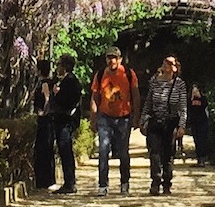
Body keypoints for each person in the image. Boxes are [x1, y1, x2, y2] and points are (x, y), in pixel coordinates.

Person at [90, 50, 140, 193]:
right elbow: (94, 97)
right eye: (109, 58)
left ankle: (124, 183)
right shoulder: (100, 75)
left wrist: (136, 117)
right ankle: (103, 185)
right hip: (105, 117)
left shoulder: (128, 74)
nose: (111, 61)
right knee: (103, 150)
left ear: (120, 59)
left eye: (114, 58)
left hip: (123, 117)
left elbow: (135, 95)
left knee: (123, 152)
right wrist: (93, 118)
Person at [140, 54, 189, 195]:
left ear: (175, 67)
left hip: (171, 123)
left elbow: (183, 107)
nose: (167, 65)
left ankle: (167, 183)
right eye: (165, 62)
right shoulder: (155, 82)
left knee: (168, 154)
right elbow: (148, 103)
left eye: (170, 63)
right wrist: (143, 120)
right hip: (155, 122)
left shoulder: (179, 84)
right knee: (154, 152)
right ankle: (155, 181)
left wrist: (181, 126)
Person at [50, 56, 83, 192]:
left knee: (65, 151)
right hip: (65, 120)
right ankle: (69, 182)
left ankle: (69, 183)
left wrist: (56, 94)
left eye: (59, 65)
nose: (58, 67)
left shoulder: (70, 81)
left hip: (65, 121)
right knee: (65, 151)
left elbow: (67, 101)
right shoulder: (69, 81)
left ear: (65, 66)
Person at [30, 67, 55, 193]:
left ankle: (44, 180)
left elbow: (47, 98)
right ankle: (47, 179)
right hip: (48, 119)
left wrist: (43, 113)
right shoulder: (50, 82)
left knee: (42, 149)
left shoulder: (44, 83)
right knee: (47, 149)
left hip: (45, 120)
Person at [187, 83, 212, 164]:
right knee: (196, 140)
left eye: (196, 91)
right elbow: (188, 110)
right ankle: (199, 158)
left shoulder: (203, 99)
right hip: (194, 123)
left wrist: (200, 98)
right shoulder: (189, 100)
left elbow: (205, 106)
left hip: (202, 122)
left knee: (203, 140)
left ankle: (203, 158)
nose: (195, 93)